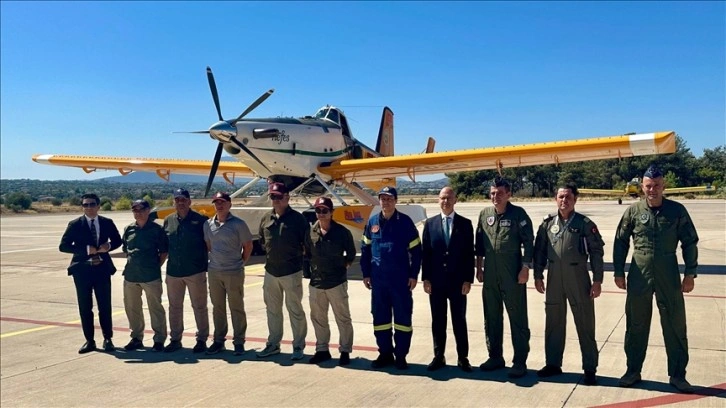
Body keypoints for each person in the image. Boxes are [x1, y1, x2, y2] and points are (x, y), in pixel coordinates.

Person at [613, 165, 699, 394]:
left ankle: (678, 375)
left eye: (657, 185)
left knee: (674, 323)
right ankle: (633, 370)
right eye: (648, 186)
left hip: (668, 272)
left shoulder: (677, 211)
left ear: (664, 186)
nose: (652, 190)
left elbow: (690, 242)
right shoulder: (633, 211)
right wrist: (619, 272)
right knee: (636, 323)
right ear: (642, 186)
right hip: (639, 272)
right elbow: (620, 242)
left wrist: (690, 273)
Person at [533, 183, 604, 385]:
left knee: (585, 322)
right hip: (554, 276)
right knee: (553, 322)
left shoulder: (584, 223)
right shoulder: (547, 224)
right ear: (556, 198)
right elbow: (539, 251)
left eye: (568, 197)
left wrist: (597, 280)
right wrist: (538, 275)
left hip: (578, 276)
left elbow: (596, 252)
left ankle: (590, 368)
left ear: (575, 200)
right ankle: (553, 364)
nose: (564, 200)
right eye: (561, 197)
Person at [475, 177, 534, 378]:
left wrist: (525, 268)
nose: (495, 197)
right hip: (490, 276)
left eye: (500, 193)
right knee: (491, 317)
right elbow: (479, 247)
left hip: (513, 276)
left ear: (508, 194)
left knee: (517, 318)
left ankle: (519, 361)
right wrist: (479, 268)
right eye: (492, 193)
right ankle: (495, 357)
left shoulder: (519, 214)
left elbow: (529, 242)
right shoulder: (484, 215)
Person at [361, 186, 422, 370]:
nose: (385, 202)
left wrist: (413, 275)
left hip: (400, 281)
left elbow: (417, 251)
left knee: (403, 320)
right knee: (381, 320)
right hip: (379, 282)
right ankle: (385, 353)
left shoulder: (405, 222)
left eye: (389, 199)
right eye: (382, 198)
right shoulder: (372, 222)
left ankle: (401, 356)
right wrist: (366, 274)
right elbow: (365, 250)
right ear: (379, 201)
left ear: (395, 201)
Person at [60, 193, 122, 353]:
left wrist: (108, 246)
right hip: (82, 270)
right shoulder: (75, 224)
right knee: (85, 307)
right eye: (85, 205)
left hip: (102, 269)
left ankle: (108, 339)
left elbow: (117, 240)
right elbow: (64, 246)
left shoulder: (107, 223)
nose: (89, 207)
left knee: (105, 306)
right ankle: (90, 340)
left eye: (92, 204)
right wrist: (86, 250)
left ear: (98, 206)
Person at [422, 186, 475, 372]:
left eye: (449, 198)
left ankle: (463, 358)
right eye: (442, 198)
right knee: (438, 320)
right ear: (438, 200)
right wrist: (426, 278)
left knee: (459, 320)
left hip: (458, 282)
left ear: (455, 200)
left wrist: (468, 279)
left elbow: (470, 254)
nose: (445, 201)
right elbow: (426, 254)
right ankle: (439, 356)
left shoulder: (465, 224)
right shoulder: (430, 224)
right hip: (436, 282)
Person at [256, 182, 310, 360]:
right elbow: (263, 241)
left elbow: (307, 244)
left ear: (287, 197)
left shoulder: (298, 219)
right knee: (272, 310)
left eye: (279, 197)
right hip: (271, 272)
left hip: (291, 271)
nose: (276, 200)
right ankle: (273, 344)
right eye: (272, 197)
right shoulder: (266, 218)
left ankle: (298, 345)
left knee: (295, 309)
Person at [304, 196, 356, 366]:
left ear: (332, 212)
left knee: (343, 318)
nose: (321, 214)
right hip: (317, 282)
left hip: (336, 282)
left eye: (324, 210)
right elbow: (308, 253)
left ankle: (345, 351)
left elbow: (351, 253)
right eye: (318, 210)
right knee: (318, 318)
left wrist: (343, 267)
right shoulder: (310, 231)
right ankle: (322, 350)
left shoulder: (342, 232)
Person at [162, 188, 212, 354]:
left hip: (195, 271)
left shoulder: (201, 220)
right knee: (174, 307)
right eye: (177, 200)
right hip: (174, 272)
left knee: (199, 307)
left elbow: (209, 245)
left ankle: (202, 339)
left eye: (183, 199)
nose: (180, 203)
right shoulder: (168, 221)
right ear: (174, 202)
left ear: (190, 202)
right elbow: (164, 247)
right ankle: (175, 339)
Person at [206, 192, 253, 355]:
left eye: (223, 202)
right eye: (216, 202)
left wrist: (240, 263)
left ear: (229, 204)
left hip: (233, 271)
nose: (219, 205)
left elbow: (248, 246)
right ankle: (219, 340)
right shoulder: (208, 224)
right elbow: (209, 246)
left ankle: (239, 341)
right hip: (214, 272)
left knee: (236, 307)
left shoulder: (239, 224)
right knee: (217, 307)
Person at [121, 199, 169, 352]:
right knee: (132, 308)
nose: (138, 213)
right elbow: (126, 249)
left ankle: (159, 339)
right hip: (131, 276)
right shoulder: (128, 229)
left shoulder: (157, 230)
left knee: (155, 308)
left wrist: (154, 266)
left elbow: (163, 252)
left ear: (148, 211)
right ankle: (136, 337)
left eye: (141, 209)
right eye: (135, 210)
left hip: (150, 276)